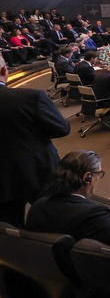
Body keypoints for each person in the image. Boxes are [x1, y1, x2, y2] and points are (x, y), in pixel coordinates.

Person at [0, 56, 71, 226]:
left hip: (2, 180)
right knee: (54, 219)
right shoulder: (31, 96)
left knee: (10, 229)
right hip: (39, 170)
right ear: (4, 70)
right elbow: (62, 129)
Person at [26, 150, 110, 243]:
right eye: (98, 173)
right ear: (87, 177)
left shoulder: (37, 206)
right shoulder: (95, 215)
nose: (98, 178)